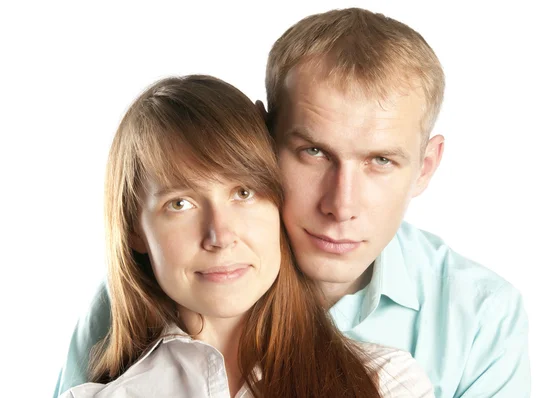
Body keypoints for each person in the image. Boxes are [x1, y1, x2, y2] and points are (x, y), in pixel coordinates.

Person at [55, 8, 530, 398]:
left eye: (381, 161)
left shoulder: (481, 318)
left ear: (425, 167)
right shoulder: (153, 287)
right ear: (263, 139)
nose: (341, 205)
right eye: (314, 152)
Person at [59, 74, 433, 398]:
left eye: (243, 193)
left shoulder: (389, 384)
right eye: (180, 204)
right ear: (135, 232)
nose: (220, 236)